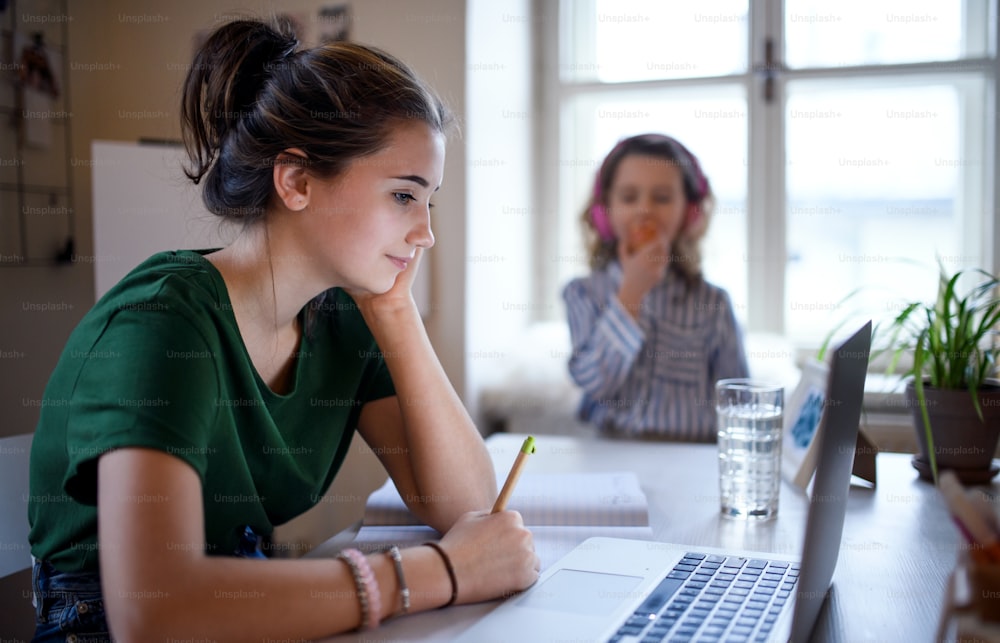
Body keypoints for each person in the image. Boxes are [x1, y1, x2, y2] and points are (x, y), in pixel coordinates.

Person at [27, 17, 538, 642]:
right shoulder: (162, 326)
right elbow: (154, 613)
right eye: (404, 196)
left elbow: (466, 507)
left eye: (428, 200)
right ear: (295, 180)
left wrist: (395, 312)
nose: (426, 231)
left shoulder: (344, 317)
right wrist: (439, 574)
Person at [563, 133, 749, 441]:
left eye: (661, 198)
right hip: (610, 456)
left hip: (690, 459)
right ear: (604, 212)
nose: (644, 209)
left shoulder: (713, 303)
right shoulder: (582, 293)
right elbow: (594, 382)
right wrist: (631, 294)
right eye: (628, 197)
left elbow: (738, 403)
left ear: (690, 213)